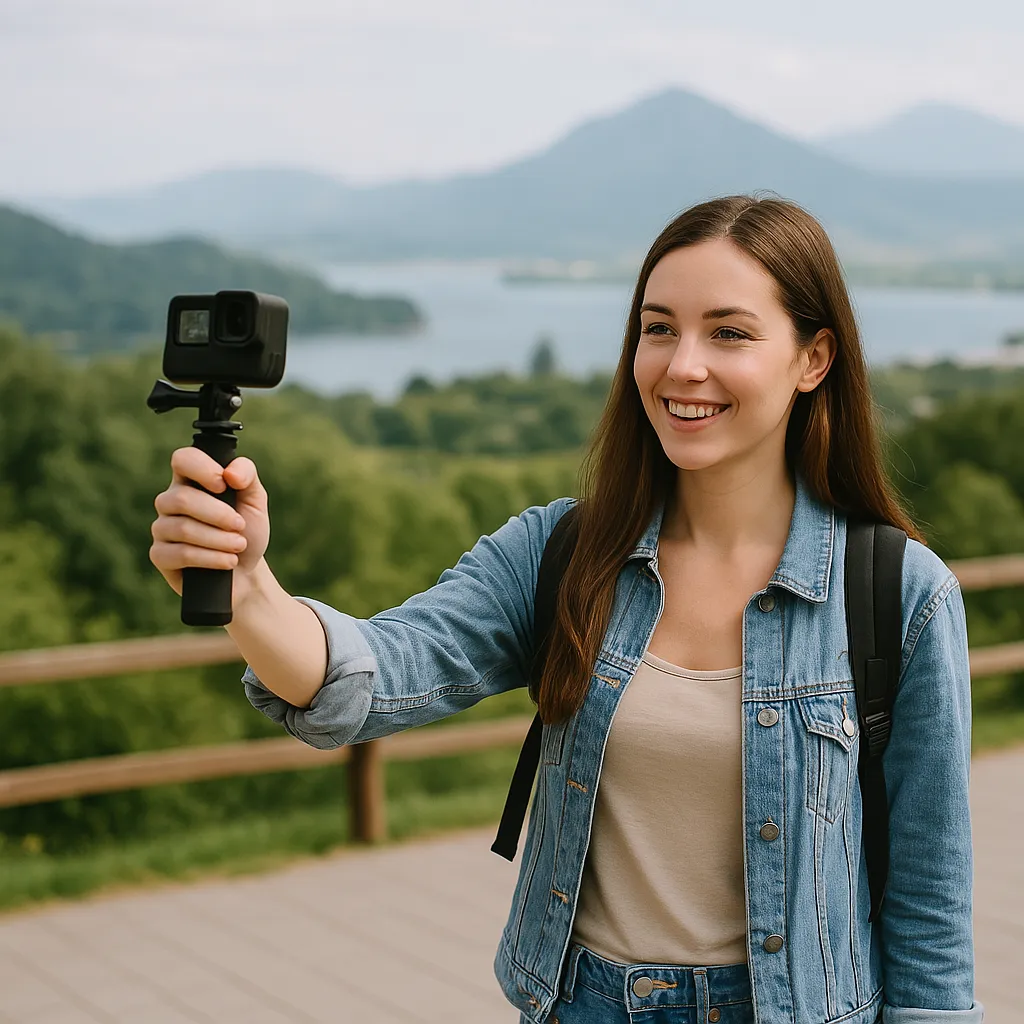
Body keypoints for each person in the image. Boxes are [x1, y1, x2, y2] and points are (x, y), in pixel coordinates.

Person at [150, 195, 983, 1024]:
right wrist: (249, 585)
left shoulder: (898, 595)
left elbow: (930, 913)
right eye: (658, 329)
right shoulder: (562, 554)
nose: (682, 365)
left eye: (728, 333)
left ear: (814, 357)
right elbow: (367, 680)